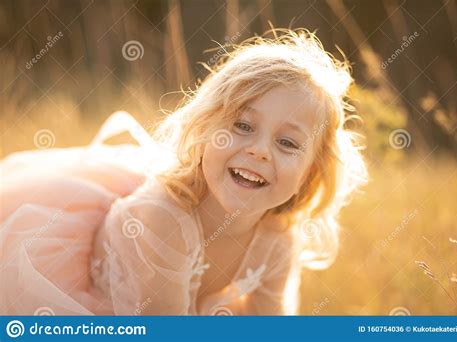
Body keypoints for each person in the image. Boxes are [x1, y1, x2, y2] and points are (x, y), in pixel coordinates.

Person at [0, 28, 368, 315]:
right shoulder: (163, 219)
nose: (258, 150)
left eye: (288, 143)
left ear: (310, 171)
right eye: (242, 126)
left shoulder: (279, 239)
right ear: (207, 129)